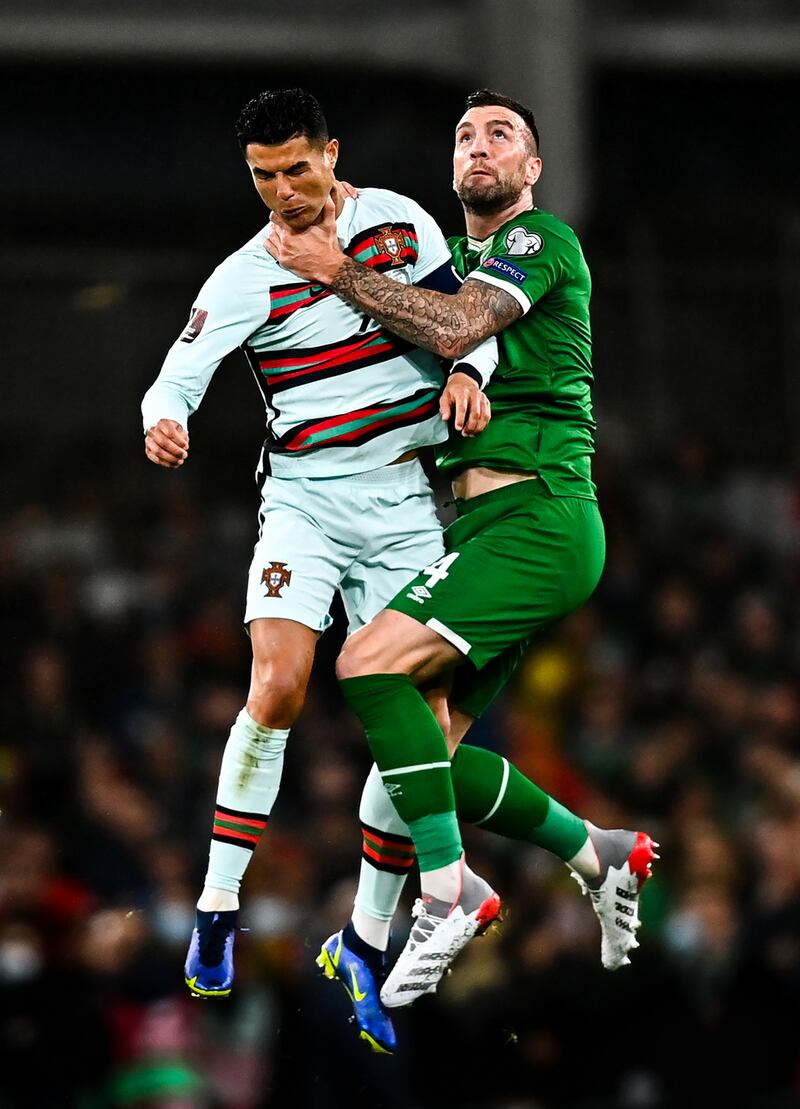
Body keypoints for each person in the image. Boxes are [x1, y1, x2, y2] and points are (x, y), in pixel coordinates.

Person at [266, 89, 658, 1041]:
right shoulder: (458, 264)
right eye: (463, 134)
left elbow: (451, 327)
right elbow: (445, 340)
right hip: (484, 527)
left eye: (502, 136)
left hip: (541, 514)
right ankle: (598, 848)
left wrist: (333, 263)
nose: (478, 146)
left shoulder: (538, 242)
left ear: (529, 170)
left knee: (365, 666)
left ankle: (445, 893)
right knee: (420, 759)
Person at [141, 87, 500, 1039]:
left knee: (420, 723)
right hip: (304, 501)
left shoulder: (399, 223)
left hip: (404, 502)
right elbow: (174, 376)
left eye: (298, 167)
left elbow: (467, 318)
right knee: (281, 685)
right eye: (264, 176)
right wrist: (164, 420)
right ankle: (218, 913)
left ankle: (365, 940)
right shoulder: (243, 275)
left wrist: (468, 372)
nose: (283, 192)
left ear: (331, 154)